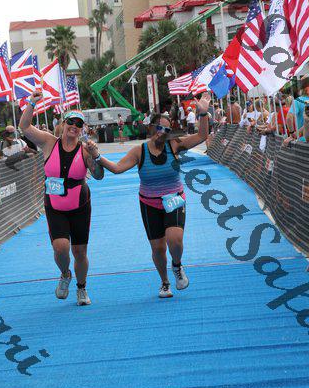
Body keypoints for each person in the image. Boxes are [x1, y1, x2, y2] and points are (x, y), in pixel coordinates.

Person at [85, 93, 211, 299]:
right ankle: (165, 282)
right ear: (152, 128)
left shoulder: (174, 145)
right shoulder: (139, 151)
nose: (162, 132)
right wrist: (97, 156)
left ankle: (177, 265)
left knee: (175, 240)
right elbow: (117, 168)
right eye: (159, 128)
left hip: (174, 199)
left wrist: (204, 113)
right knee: (158, 248)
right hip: (149, 204)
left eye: (166, 129)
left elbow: (202, 136)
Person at [19, 94, 104, 306]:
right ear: (63, 123)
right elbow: (24, 126)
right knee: (60, 248)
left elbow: (99, 175)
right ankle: (65, 273)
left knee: (79, 251)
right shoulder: (49, 142)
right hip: (55, 205)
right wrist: (31, 103)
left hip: (80, 205)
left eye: (79, 124)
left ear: (82, 129)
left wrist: (95, 156)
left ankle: (82, 288)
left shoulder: (84, 150)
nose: (74, 126)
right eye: (71, 122)